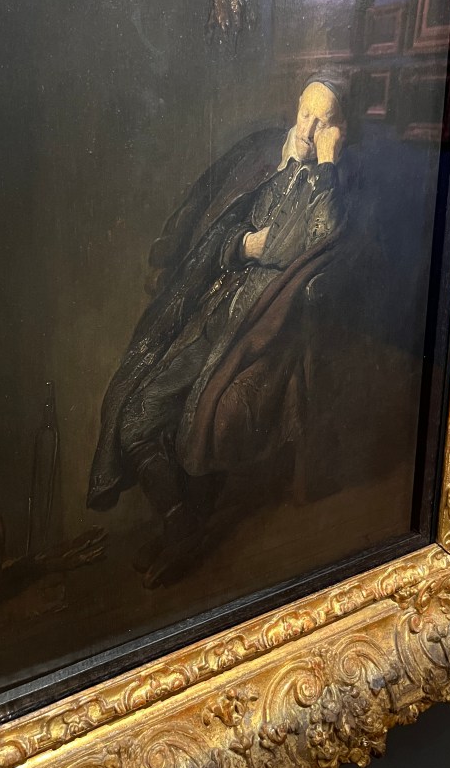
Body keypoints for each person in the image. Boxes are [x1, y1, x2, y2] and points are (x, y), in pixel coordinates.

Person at [87, 74, 349, 587]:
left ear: (337, 131)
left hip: (261, 325)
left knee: (190, 413)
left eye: (322, 122)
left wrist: (327, 166)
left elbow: (321, 240)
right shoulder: (268, 163)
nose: (307, 129)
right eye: (305, 114)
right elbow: (224, 229)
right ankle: (180, 522)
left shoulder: (331, 185)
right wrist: (243, 246)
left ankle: (183, 525)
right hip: (215, 314)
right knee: (133, 411)